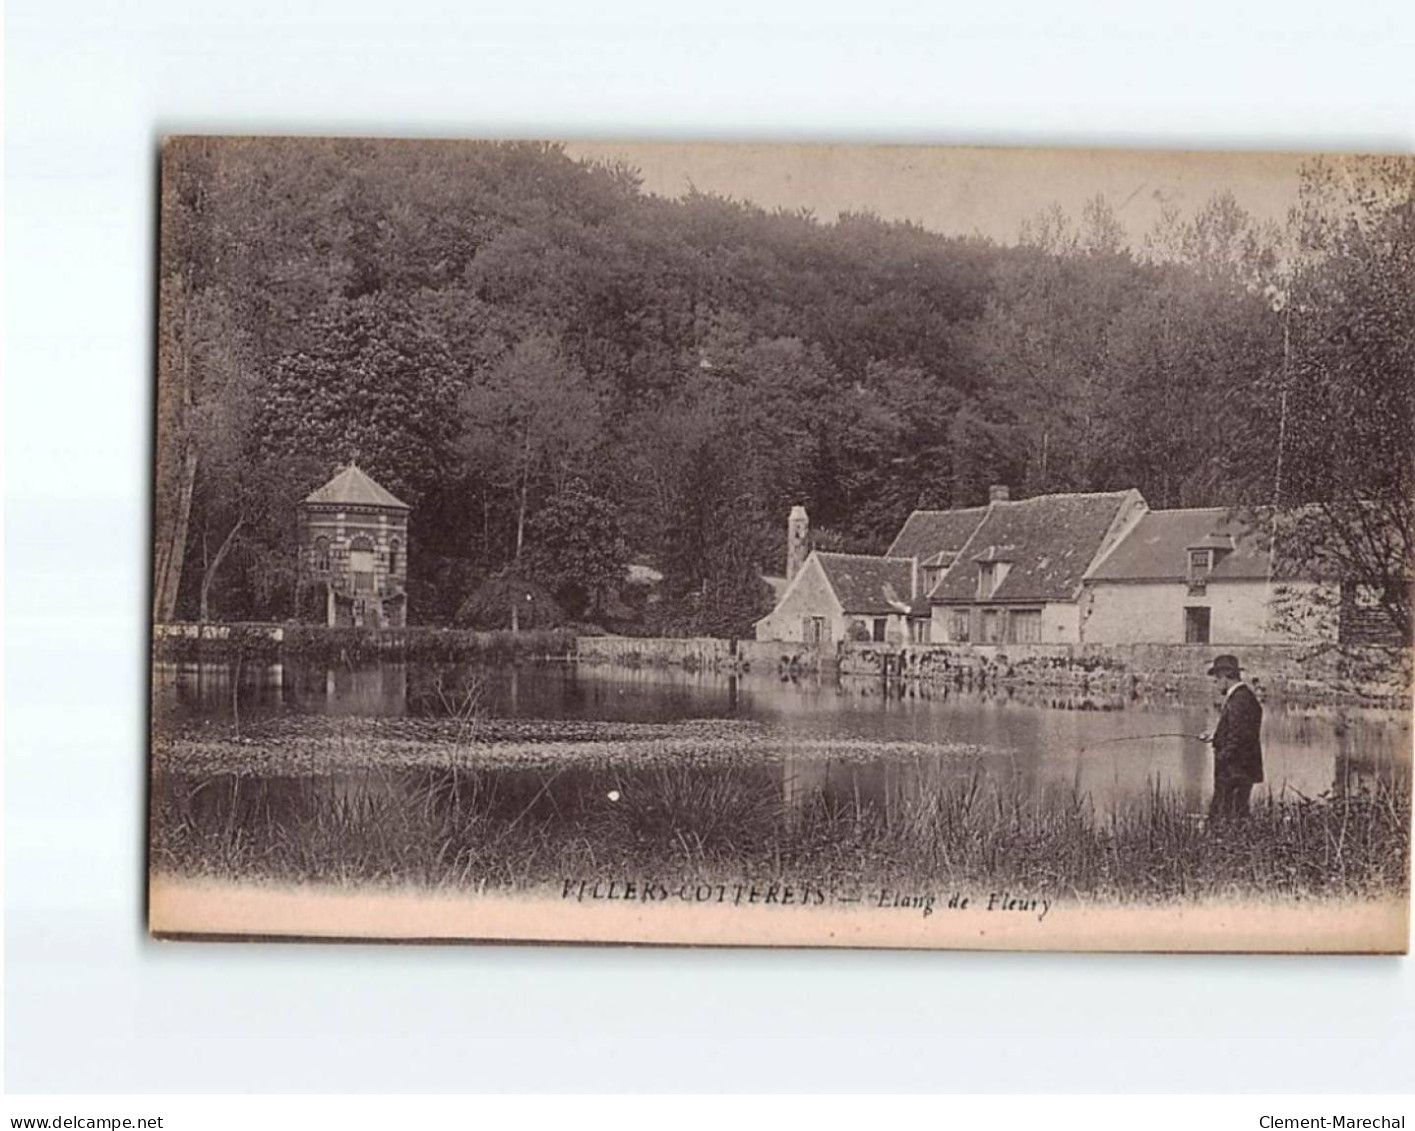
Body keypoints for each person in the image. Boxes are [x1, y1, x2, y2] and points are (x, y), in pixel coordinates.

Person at [1199, 654, 1264, 821]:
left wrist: (1222, 757)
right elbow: (1239, 731)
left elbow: (1238, 738)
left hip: (1234, 771)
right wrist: (1216, 737)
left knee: (1225, 816)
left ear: (1224, 677)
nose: (1215, 684)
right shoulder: (1245, 697)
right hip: (1240, 769)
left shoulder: (1239, 700)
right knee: (1235, 815)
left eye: (1216, 679)